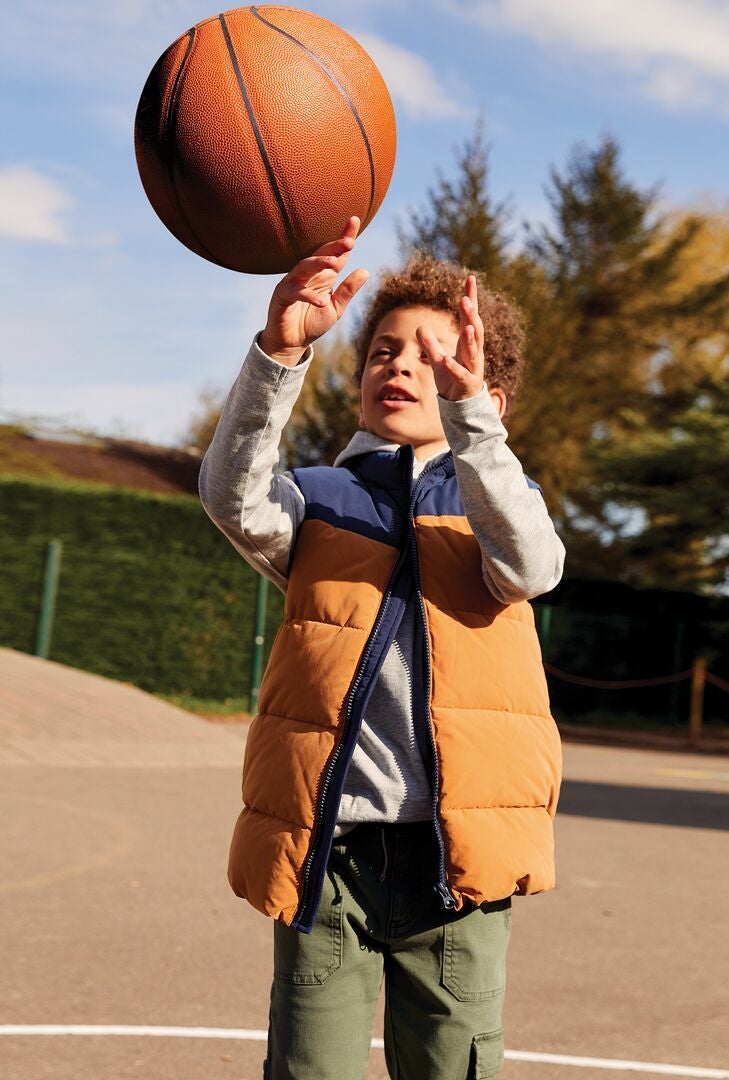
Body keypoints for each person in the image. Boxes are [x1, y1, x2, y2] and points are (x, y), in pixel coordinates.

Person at [199, 216, 565, 1080]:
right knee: (309, 1068)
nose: (400, 363)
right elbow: (230, 494)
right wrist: (276, 357)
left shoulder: (496, 505)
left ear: (482, 393)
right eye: (383, 351)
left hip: (454, 866)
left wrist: (476, 428)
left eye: (434, 357)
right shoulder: (319, 501)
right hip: (333, 856)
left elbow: (533, 566)